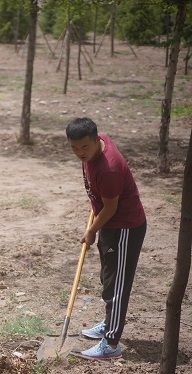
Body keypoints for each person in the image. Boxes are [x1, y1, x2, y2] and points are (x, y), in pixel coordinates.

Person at [67, 117, 147, 360]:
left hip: (124, 228)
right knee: (108, 278)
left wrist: (91, 230)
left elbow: (111, 208)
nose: (80, 153)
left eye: (85, 147)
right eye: (74, 148)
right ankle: (109, 323)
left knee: (117, 286)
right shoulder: (98, 145)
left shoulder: (108, 169)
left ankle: (111, 343)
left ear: (95, 140)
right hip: (110, 225)